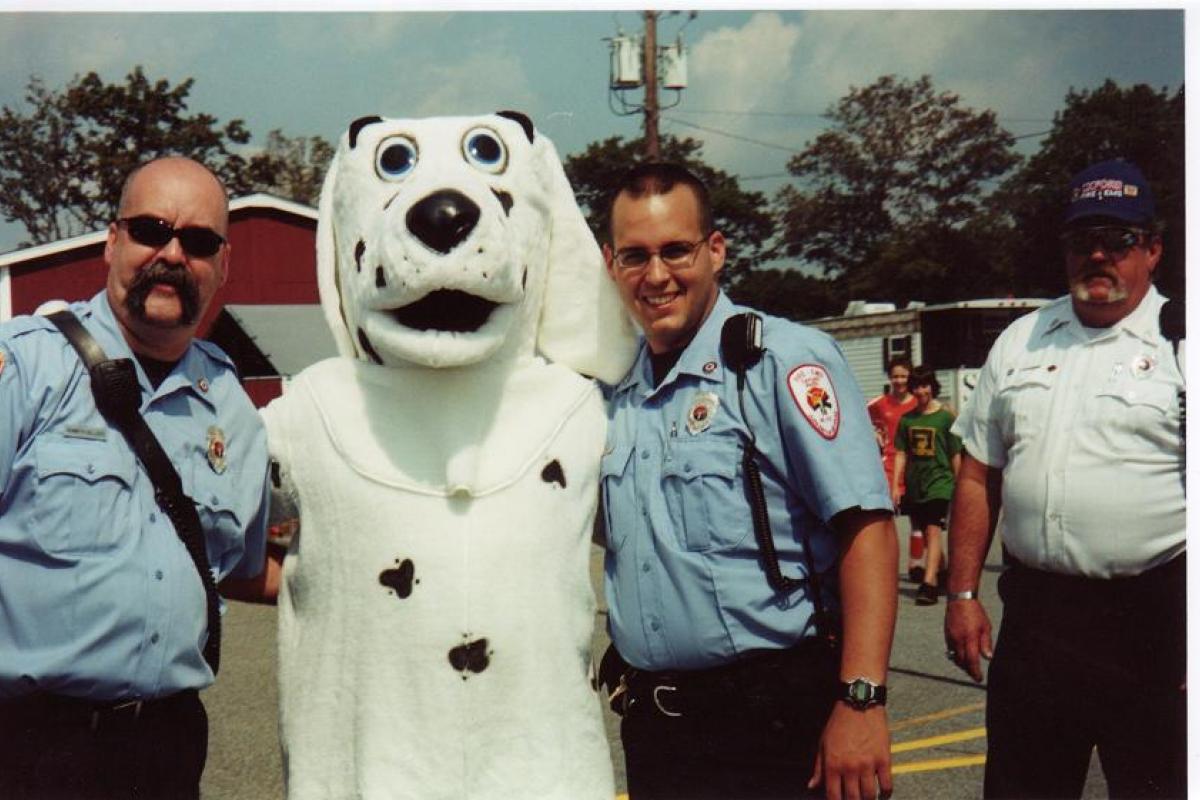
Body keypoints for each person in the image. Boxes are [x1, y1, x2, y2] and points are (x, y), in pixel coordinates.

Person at [598, 162, 896, 800]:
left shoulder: (779, 361)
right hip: (659, 735)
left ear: (715, 250)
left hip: (777, 726)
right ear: (609, 262)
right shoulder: (611, 392)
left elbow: (865, 528)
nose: (656, 276)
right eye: (634, 256)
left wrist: (862, 701)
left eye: (676, 250)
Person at [0, 156, 272, 799]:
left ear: (223, 266)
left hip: (168, 749)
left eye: (199, 241)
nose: (173, 253)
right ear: (113, 242)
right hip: (29, 745)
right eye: (152, 230)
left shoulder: (232, 407)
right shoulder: (28, 366)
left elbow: (245, 567)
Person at [944, 159, 1185, 799]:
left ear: (1153, 249)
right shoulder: (1022, 340)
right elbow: (976, 475)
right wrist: (963, 595)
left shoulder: (1182, 347)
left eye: (1119, 240)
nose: (1098, 255)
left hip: (1153, 620)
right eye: (1083, 241)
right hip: (1039, 619)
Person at [890, 365, 961, 605]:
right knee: (926, 529)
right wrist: (895, 486)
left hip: (940, 483)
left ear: (933, 387)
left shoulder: (945, 417)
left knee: (932, 528)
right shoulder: (907, 420)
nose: (921, 391)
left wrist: (960, 486)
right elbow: (900, 453)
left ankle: (928, 583)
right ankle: (942, 571)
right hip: (915, 484)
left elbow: (955, 454)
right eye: (917, 386)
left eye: (925, 385)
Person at [867, 356, 921, 582]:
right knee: (886, 519)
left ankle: (916, 564)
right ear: (889, 377)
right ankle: (886, 565)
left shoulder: (918, 402)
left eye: (904, 376)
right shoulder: (879, 404)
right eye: (895, 376)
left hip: (915, 466)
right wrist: (875, 434)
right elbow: (861, 419)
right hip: (888, 466)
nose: (899, 380)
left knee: (918, 520)